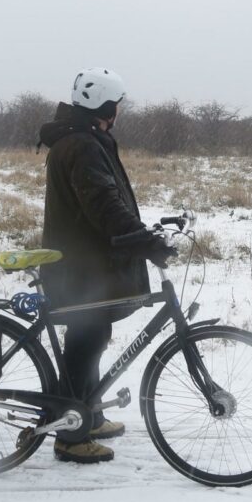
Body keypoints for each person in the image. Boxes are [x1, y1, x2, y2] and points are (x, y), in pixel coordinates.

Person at [37, 67, 172, 464]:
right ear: (106, 107)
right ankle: (72, 436)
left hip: (84, 263)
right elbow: (103, 205)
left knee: (92, 337)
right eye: (116, 105)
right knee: (84, 341)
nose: (118, 112)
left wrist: (140, 234)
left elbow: (106, 200)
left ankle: (89, 414)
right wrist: (144, 240)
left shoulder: (84, 139)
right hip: (79, 266)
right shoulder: (81, 145)